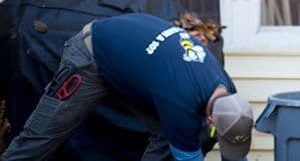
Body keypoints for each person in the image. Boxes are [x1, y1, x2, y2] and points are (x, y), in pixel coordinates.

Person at [3, 12, 253, 161]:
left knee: (168, 136)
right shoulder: (182, 104)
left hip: (133, 59)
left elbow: (235, 140)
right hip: (91, 55)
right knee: (41, 137)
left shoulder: (228, 92)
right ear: (210, 121)